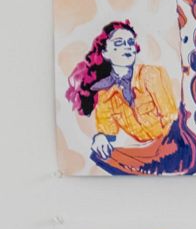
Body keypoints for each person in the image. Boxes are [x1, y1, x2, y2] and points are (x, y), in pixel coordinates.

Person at [65, 20, 182, 173]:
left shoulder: (151, 74)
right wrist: (101, 138)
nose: (127, 46)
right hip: (146, 152)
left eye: (130, 42)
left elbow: (172, 117)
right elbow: (109, 132)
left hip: (171, 143)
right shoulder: (105, 94)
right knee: (98, 155)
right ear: (105, 53)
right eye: (119, 43)